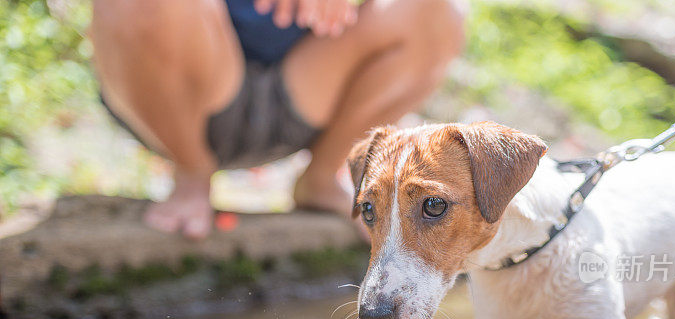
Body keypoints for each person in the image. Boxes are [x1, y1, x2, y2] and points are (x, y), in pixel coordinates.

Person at [89, 0, 465, 239]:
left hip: (309, 79)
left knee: (436, 10)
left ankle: (322, 178)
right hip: (172, 90)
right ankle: (190, 172)